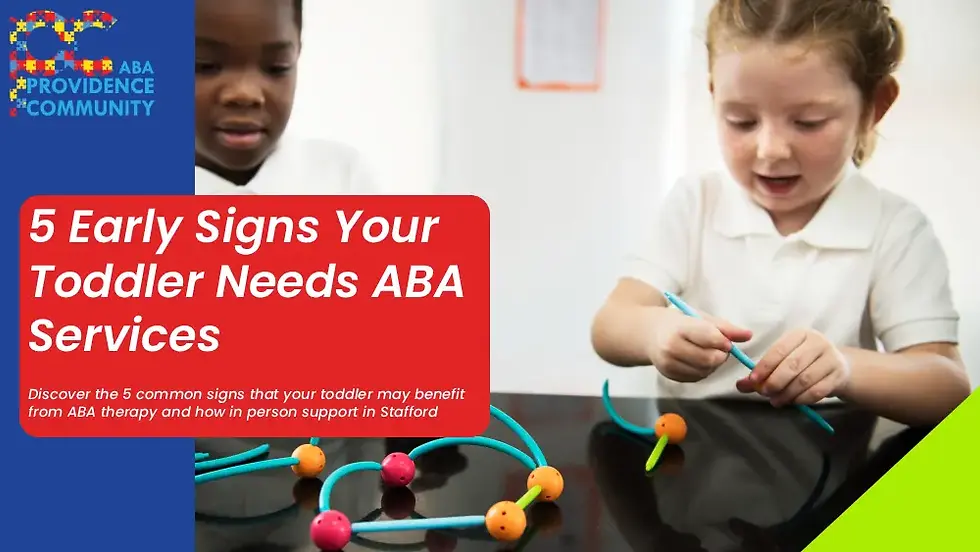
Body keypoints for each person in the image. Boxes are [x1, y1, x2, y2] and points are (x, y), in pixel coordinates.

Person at [590, 0, 970, 427]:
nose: (770, 150)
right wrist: (655, 332)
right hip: (690, 460)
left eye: (808, 122)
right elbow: (610, 326)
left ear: (874, 106)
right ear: (715, 96)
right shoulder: (695, 203)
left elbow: (949, 388)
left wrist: (845, 368)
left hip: (835, 463)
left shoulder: (895, 227)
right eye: (742, 121)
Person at [194, 0, 379, 195]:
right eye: (204, 64)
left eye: (277, 67)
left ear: (297, 54)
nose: (245, 94)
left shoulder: (344, 179)